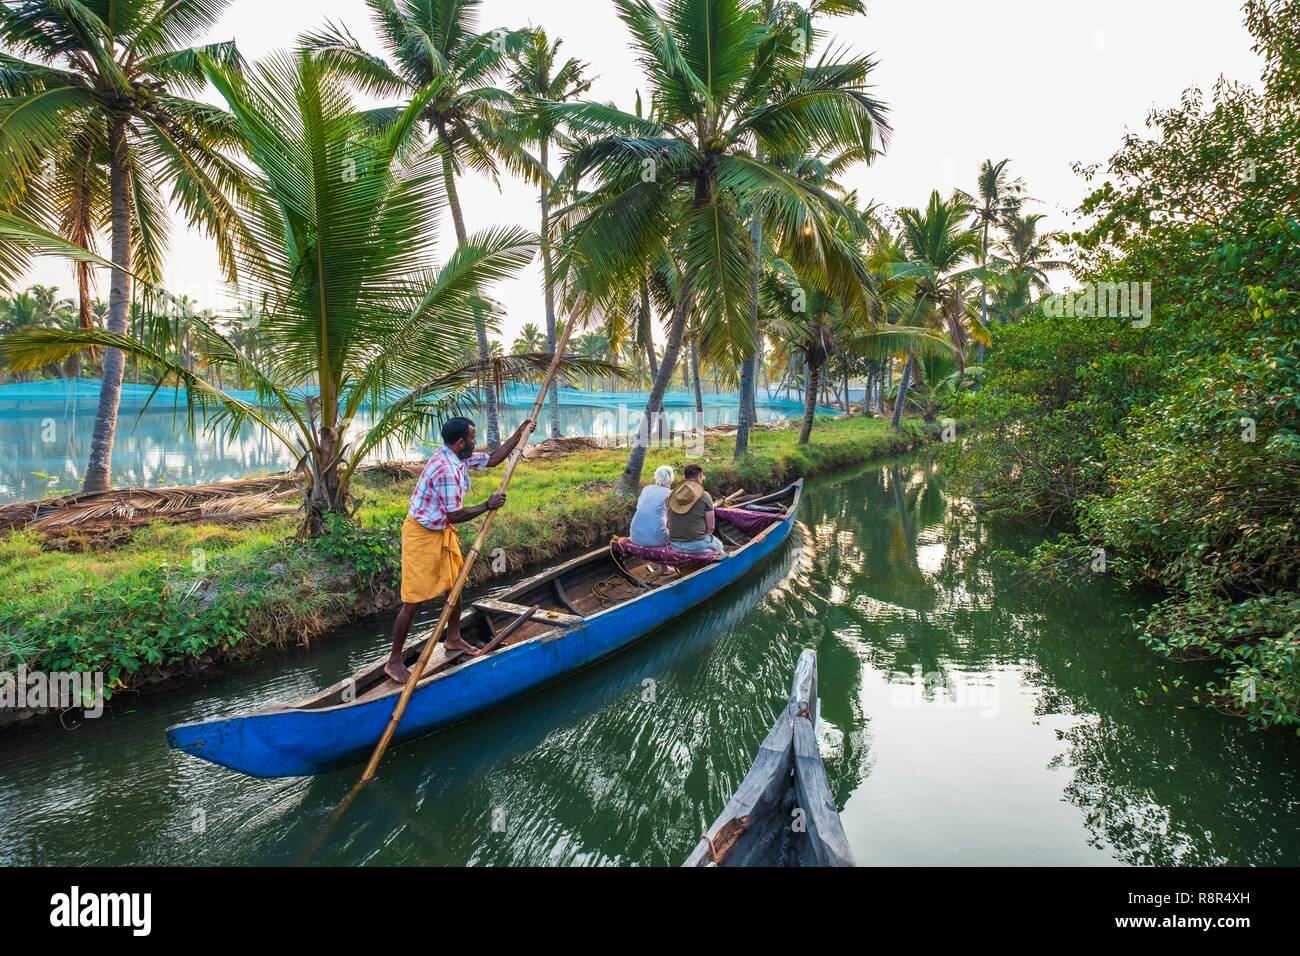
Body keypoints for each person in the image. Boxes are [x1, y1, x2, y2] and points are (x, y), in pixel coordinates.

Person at [385, 415, 533, 683]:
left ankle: (453, 638)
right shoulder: (446, 469)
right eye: (473, 439)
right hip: (422, 534)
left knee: (456, 584)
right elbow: (454, 515)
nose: (476, 444)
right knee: (413, 601)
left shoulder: (457, 457)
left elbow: (494, 459)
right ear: (460, 442)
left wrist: (520, 433)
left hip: (440, 531)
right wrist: (487, 505)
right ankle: (393, 661)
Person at [667, 463, 725, 556]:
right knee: (721, 548)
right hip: (698, 545)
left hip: (675, 545)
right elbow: (711, 527)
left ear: (685, 477)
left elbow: (669, 525)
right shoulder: (705, 495)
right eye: (702, 477)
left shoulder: (672, 495)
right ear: (699, 477)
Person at [629, 465, 675, 547]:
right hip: (657, 540)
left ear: (656, 476)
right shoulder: (669, 493)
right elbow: (674, 517)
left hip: (635, 536)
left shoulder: (646, 488)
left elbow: (638, 507)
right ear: (671, 479)